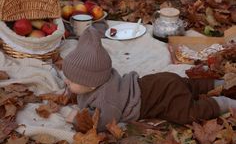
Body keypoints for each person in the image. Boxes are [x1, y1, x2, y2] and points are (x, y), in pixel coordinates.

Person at [62, 21, 236, 132]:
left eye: (71, 80)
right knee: (191, 85)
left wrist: (78, 120)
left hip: (162, 99)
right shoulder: (100, 78)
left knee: (187, 113)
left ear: (92, 84)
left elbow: (102, 123)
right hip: (158, 81)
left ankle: (223, 103)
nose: (66, 81)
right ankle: (220, 84)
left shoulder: (107, 101)